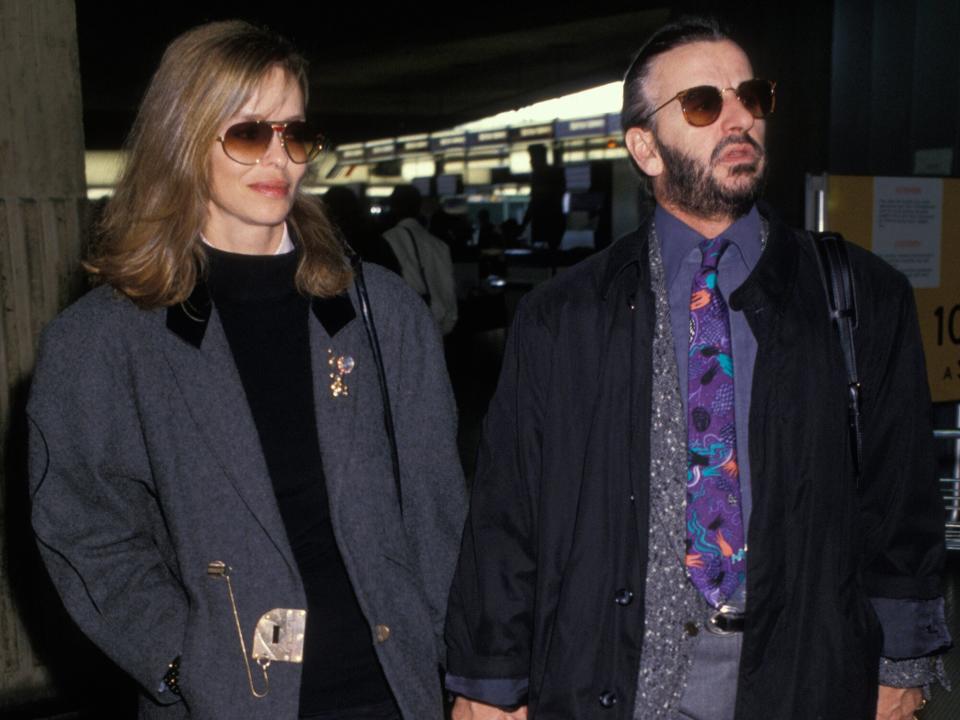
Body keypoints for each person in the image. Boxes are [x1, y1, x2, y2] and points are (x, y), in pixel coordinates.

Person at [444, 16, 950, 720]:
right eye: (705, 104)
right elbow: (508, 514)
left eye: (752, 96)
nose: (740, 117)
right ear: (645, 148)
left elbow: (901, 500)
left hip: (803, 673)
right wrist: (489, 685)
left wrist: (903, 662)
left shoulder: (861, 297)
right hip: (612, 676)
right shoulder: (566, 316)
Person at [28, 20, 466, 720]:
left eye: (295, 133)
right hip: (228, 700)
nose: (279, 157)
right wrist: (178, 659)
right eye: (247, 133)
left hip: (395, 690)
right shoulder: (104, 339)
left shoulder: (381, 310)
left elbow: (438, 515)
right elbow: (84, 526)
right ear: (184, 136)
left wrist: (467, 676)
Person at [383, 185, 458, 335]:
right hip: (437, 331)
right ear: (418, 207)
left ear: (393, 207)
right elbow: (449, 292)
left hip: (406, 331)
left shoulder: (387, 240)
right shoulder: (439, 245)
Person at [520, 144, 566, 250]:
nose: (530, 162)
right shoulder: (556, 173)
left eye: (532, 158)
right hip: (554, 223)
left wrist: (524, 224)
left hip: (547, 223)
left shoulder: (538, 176)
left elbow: (535, 202)